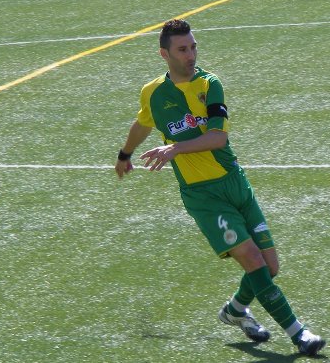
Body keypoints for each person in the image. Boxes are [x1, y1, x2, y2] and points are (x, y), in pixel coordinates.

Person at [114, 19, 326, 357]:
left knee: (270, 267)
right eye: (182, 49)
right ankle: (299, 334)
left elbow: (218, 138)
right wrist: (125, 154)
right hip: (203, 196)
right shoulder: (152, 93)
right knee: (253, 260)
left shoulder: (210, 84)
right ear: (164, 54)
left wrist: (175, 148)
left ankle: (235, 311)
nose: (191, 55)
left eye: (193, 47)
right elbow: (143, 122)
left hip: (235, 183)